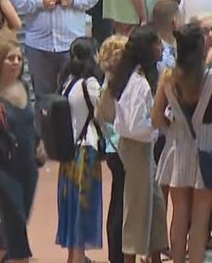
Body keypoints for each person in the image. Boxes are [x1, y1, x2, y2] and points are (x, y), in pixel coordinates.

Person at [152, 24, 212, 263]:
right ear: (201, 48)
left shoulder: (167, 77)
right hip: (208, 148)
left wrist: (174, 128)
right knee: (200, 221)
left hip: (177, 149)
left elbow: (156, 117)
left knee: (179, 214)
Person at [112, 27, 169, 263]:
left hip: (142, 148)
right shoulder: (138, 83)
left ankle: (155, 254)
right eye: (158, 44)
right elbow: (136, 125)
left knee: (155, 204)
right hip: (137, 147)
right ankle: (130, 258)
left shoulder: (135, 77)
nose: (162, 48)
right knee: (137, 207)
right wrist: (160, 123)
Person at [0, 40, 41, 263]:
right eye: (10, 58)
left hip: (27, 169)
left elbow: (30, 123)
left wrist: (39, 143)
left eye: (18, 58)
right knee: (16, 226)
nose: (16, 62)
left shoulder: (24, 87)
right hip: (1, 169)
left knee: (10, 229)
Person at [56, 38, 105, 262]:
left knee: (71, 207)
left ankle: (75, 257)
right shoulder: (90, 83)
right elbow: (105, 113)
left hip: (69, 153)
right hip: (87, 151)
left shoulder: (68, 82)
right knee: (84, 208)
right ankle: (77, 258)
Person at [95, 34, 131, 263]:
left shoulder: (105, 82)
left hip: (112, 148)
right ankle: (119, 254)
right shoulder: (119, 85)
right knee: (122, 203)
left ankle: (116, 254)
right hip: (122, 148)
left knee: (117, 200)